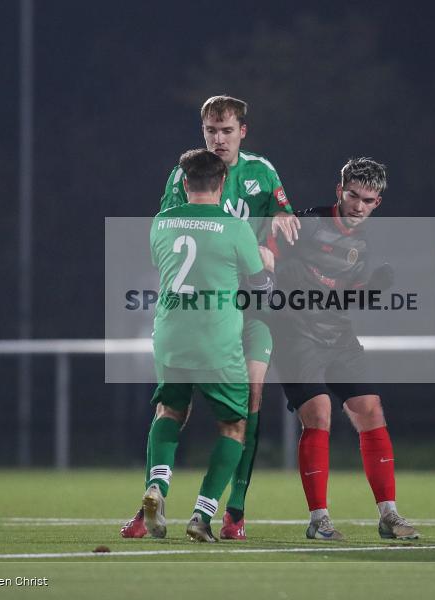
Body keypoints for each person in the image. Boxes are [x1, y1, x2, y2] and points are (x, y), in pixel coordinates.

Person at [122, 95, 299, 540]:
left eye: (226, 131)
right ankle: (198, 510)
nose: (218, 139)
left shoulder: (262, 172)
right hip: (230, 304)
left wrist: (283, 218)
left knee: (236, 398)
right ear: (203, 132)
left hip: (215, 315)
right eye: (210, 131)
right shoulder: (185, 177)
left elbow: (284, 215)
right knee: (234, 415)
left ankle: (233, 511)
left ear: (243, 131)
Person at [267, 157, 419, 541]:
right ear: (340, 191)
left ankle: (389, 515)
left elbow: (341, 297)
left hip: (337, 335)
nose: (358, 205)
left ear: (377, 203)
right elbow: (262, 258)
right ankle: (319, 520)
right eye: (353, 195)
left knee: (371, 409)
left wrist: (370, 290)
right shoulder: (305, 224)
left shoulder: (361, 244)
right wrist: (276, 281)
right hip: (295, 334)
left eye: (368, 200)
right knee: (319, 413)